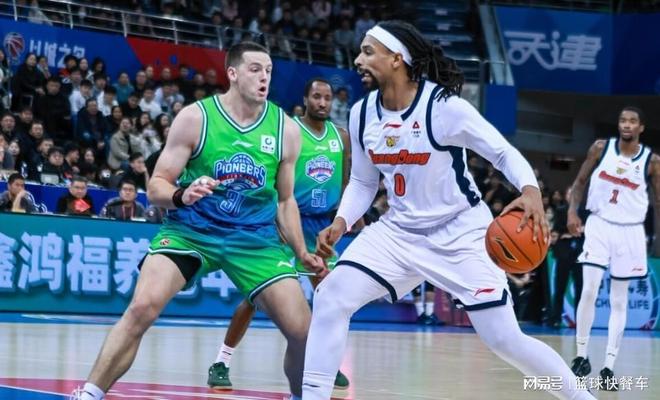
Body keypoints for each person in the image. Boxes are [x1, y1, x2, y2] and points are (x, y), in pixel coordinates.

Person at [301, 21, 594, 400]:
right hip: (398, 233)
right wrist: (341, 222)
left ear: (397, 59)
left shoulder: (443, 107)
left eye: (368, 51)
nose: (358, 60)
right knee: (331, 296)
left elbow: (502, 152)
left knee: (504, 339)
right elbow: (362, 181)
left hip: (460, 231)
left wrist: (531, 191)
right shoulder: (361, 114)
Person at [70, 42, 326, 400]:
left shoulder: (286, 129)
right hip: (191, 231)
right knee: (142, 308)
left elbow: (285, 201)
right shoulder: (196, 118)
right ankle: (89, 394)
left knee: (303, 331)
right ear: (232, 73)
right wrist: (182, 194)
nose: (264, 77)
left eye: (269, 70)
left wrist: (301, 251)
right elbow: (157, 185)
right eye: (255, 69)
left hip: (254, 239)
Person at [207, 78, 351, 390]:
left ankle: (324, 362)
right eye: (316, 97)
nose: (322, 103)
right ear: (305, 99)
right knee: (254, 299)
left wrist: (342, 219)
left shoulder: (341, 137)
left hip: (321, 228)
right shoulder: (288, 130)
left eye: (327, 98)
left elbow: (345, 182)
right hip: (285, 224)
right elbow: (272, 178)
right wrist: (274, 219)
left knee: (332, 299)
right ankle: (221, 361)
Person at [567, 106, 659, 390]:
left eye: (632, 121)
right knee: (589, 290)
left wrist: (657, 238)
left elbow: (659, 202)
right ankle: (581, 357)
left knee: (619, 301)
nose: (626, 125)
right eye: (623, 120)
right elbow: (579, 182)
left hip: (630, 231)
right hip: (599, 224)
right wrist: (572, 212)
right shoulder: (600, 148)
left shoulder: (652, 161)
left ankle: (608, 367)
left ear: (641, 128)